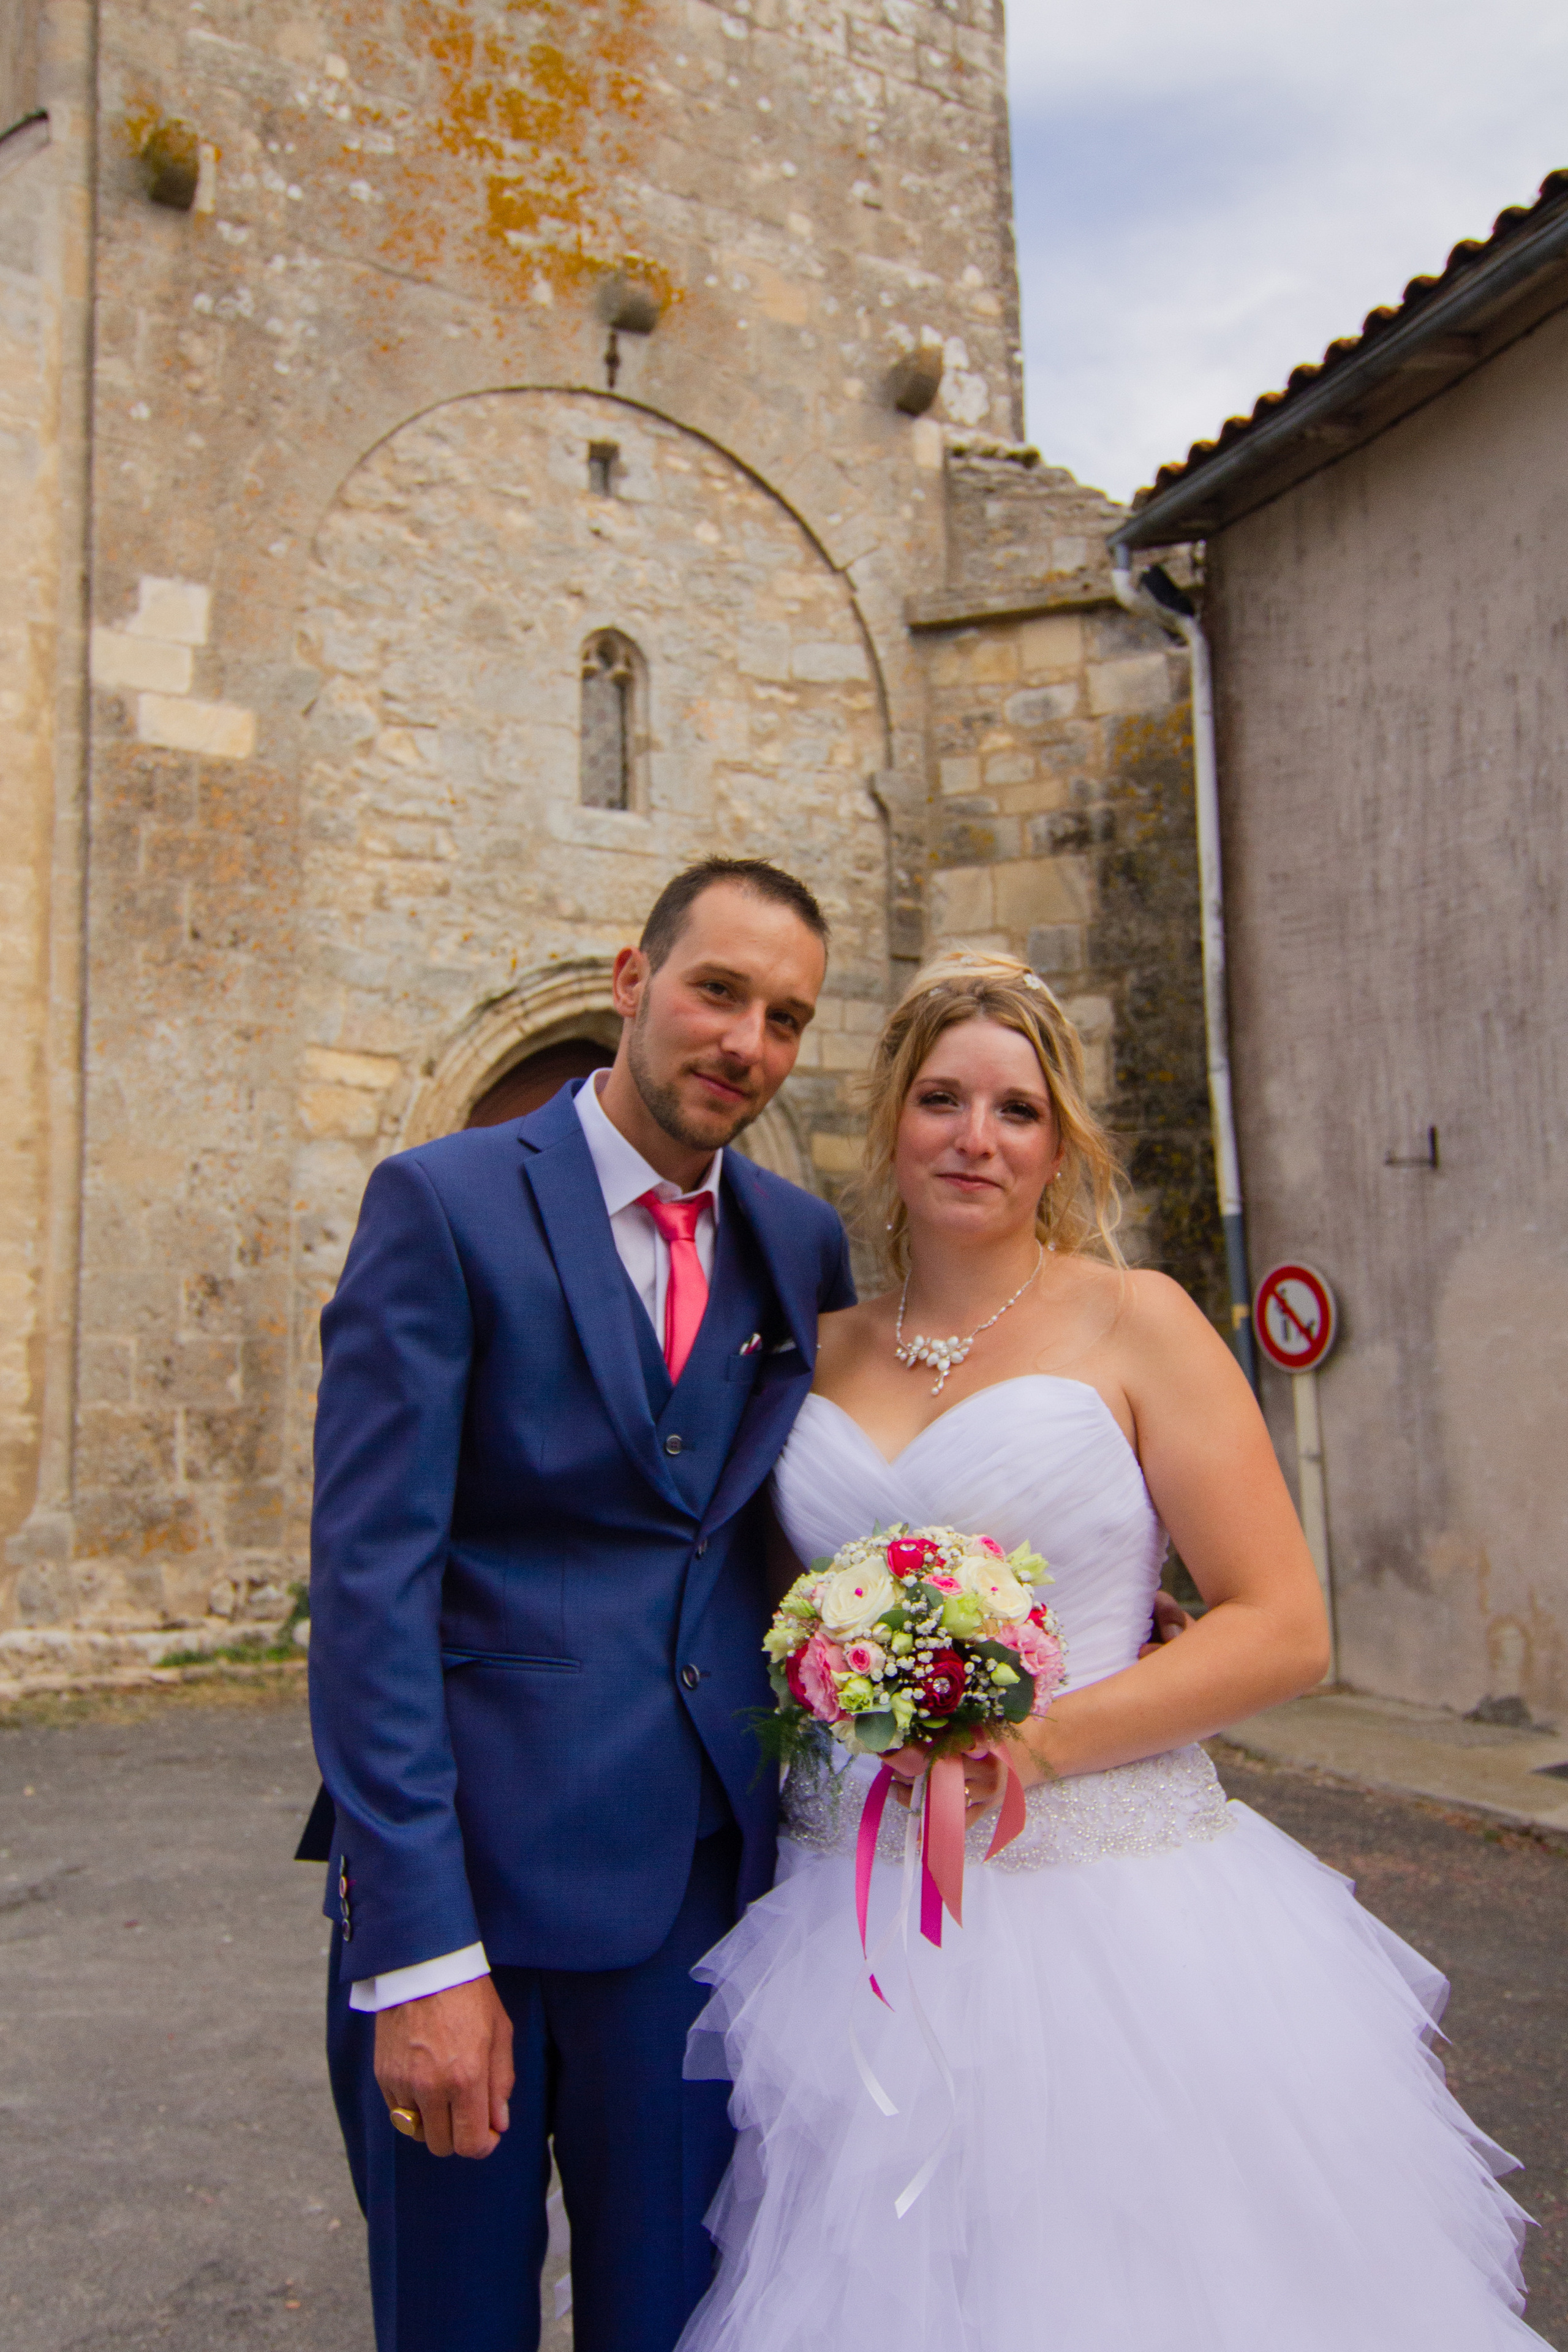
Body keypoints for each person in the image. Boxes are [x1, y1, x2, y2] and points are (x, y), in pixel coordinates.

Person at [677, 949, 1547, 2352]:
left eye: (1015, 1110)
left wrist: (1030, 1744)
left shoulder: (1134, 1319)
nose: (974, 1137)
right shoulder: (813, 1354)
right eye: (941, 1099)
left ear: (1057, 1141)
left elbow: (1281, 1626)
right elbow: (772, 1613)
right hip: (842, 1912)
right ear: (890, 1119)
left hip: (1100, 1910)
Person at [305, 859, 859, 2352]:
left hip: (698, 1899)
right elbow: (369, 1589)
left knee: (676, 2322)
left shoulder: (799, 1245)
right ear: (632, 980)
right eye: (717, 991)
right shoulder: (441, 1203)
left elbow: (841, 1500)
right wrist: (420, 1953)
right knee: (456, 2324)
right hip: (469, 1889)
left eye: (786, 1018)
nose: (746, 1042)